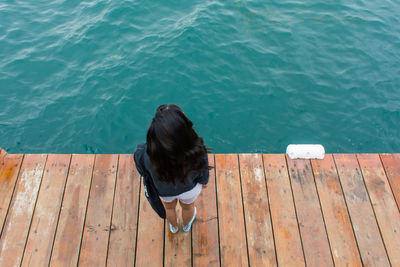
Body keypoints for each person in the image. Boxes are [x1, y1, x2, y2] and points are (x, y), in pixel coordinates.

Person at [135, 104, 211, 233]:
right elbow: (202, 169)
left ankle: (174, 227)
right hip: (190, 189)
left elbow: (142, 172)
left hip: (164, 191)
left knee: (169, 209)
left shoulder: (144, 153)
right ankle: (186, 225)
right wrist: (204, 182)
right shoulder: (197, 148)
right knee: (188, 207)